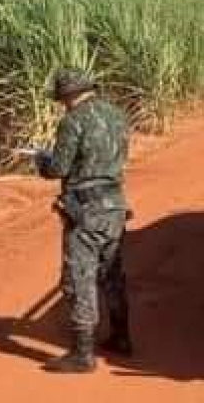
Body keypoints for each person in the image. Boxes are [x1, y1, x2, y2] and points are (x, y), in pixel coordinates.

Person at [35, 67, 132, 374]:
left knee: (80, 278)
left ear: (69, 94)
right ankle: (122, 336)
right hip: (115, 205)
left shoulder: (72, 121)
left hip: (86, 210)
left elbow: (59, 168)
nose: (63, 104)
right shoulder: (117, 115)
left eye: (63, 98)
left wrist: (42, 162)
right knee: (111, 273)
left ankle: (82, 353)